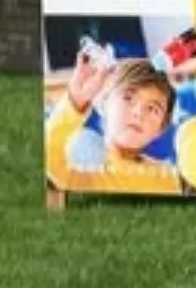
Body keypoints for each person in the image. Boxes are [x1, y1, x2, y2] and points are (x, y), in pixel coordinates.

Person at [44, 47, 180, 195]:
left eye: (152, 108)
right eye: (128, 98)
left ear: (161, 128)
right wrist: (76, 102)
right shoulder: (85, 173)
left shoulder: (170, 179)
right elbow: (48, 160)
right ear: (103, 103)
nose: (138, 113)